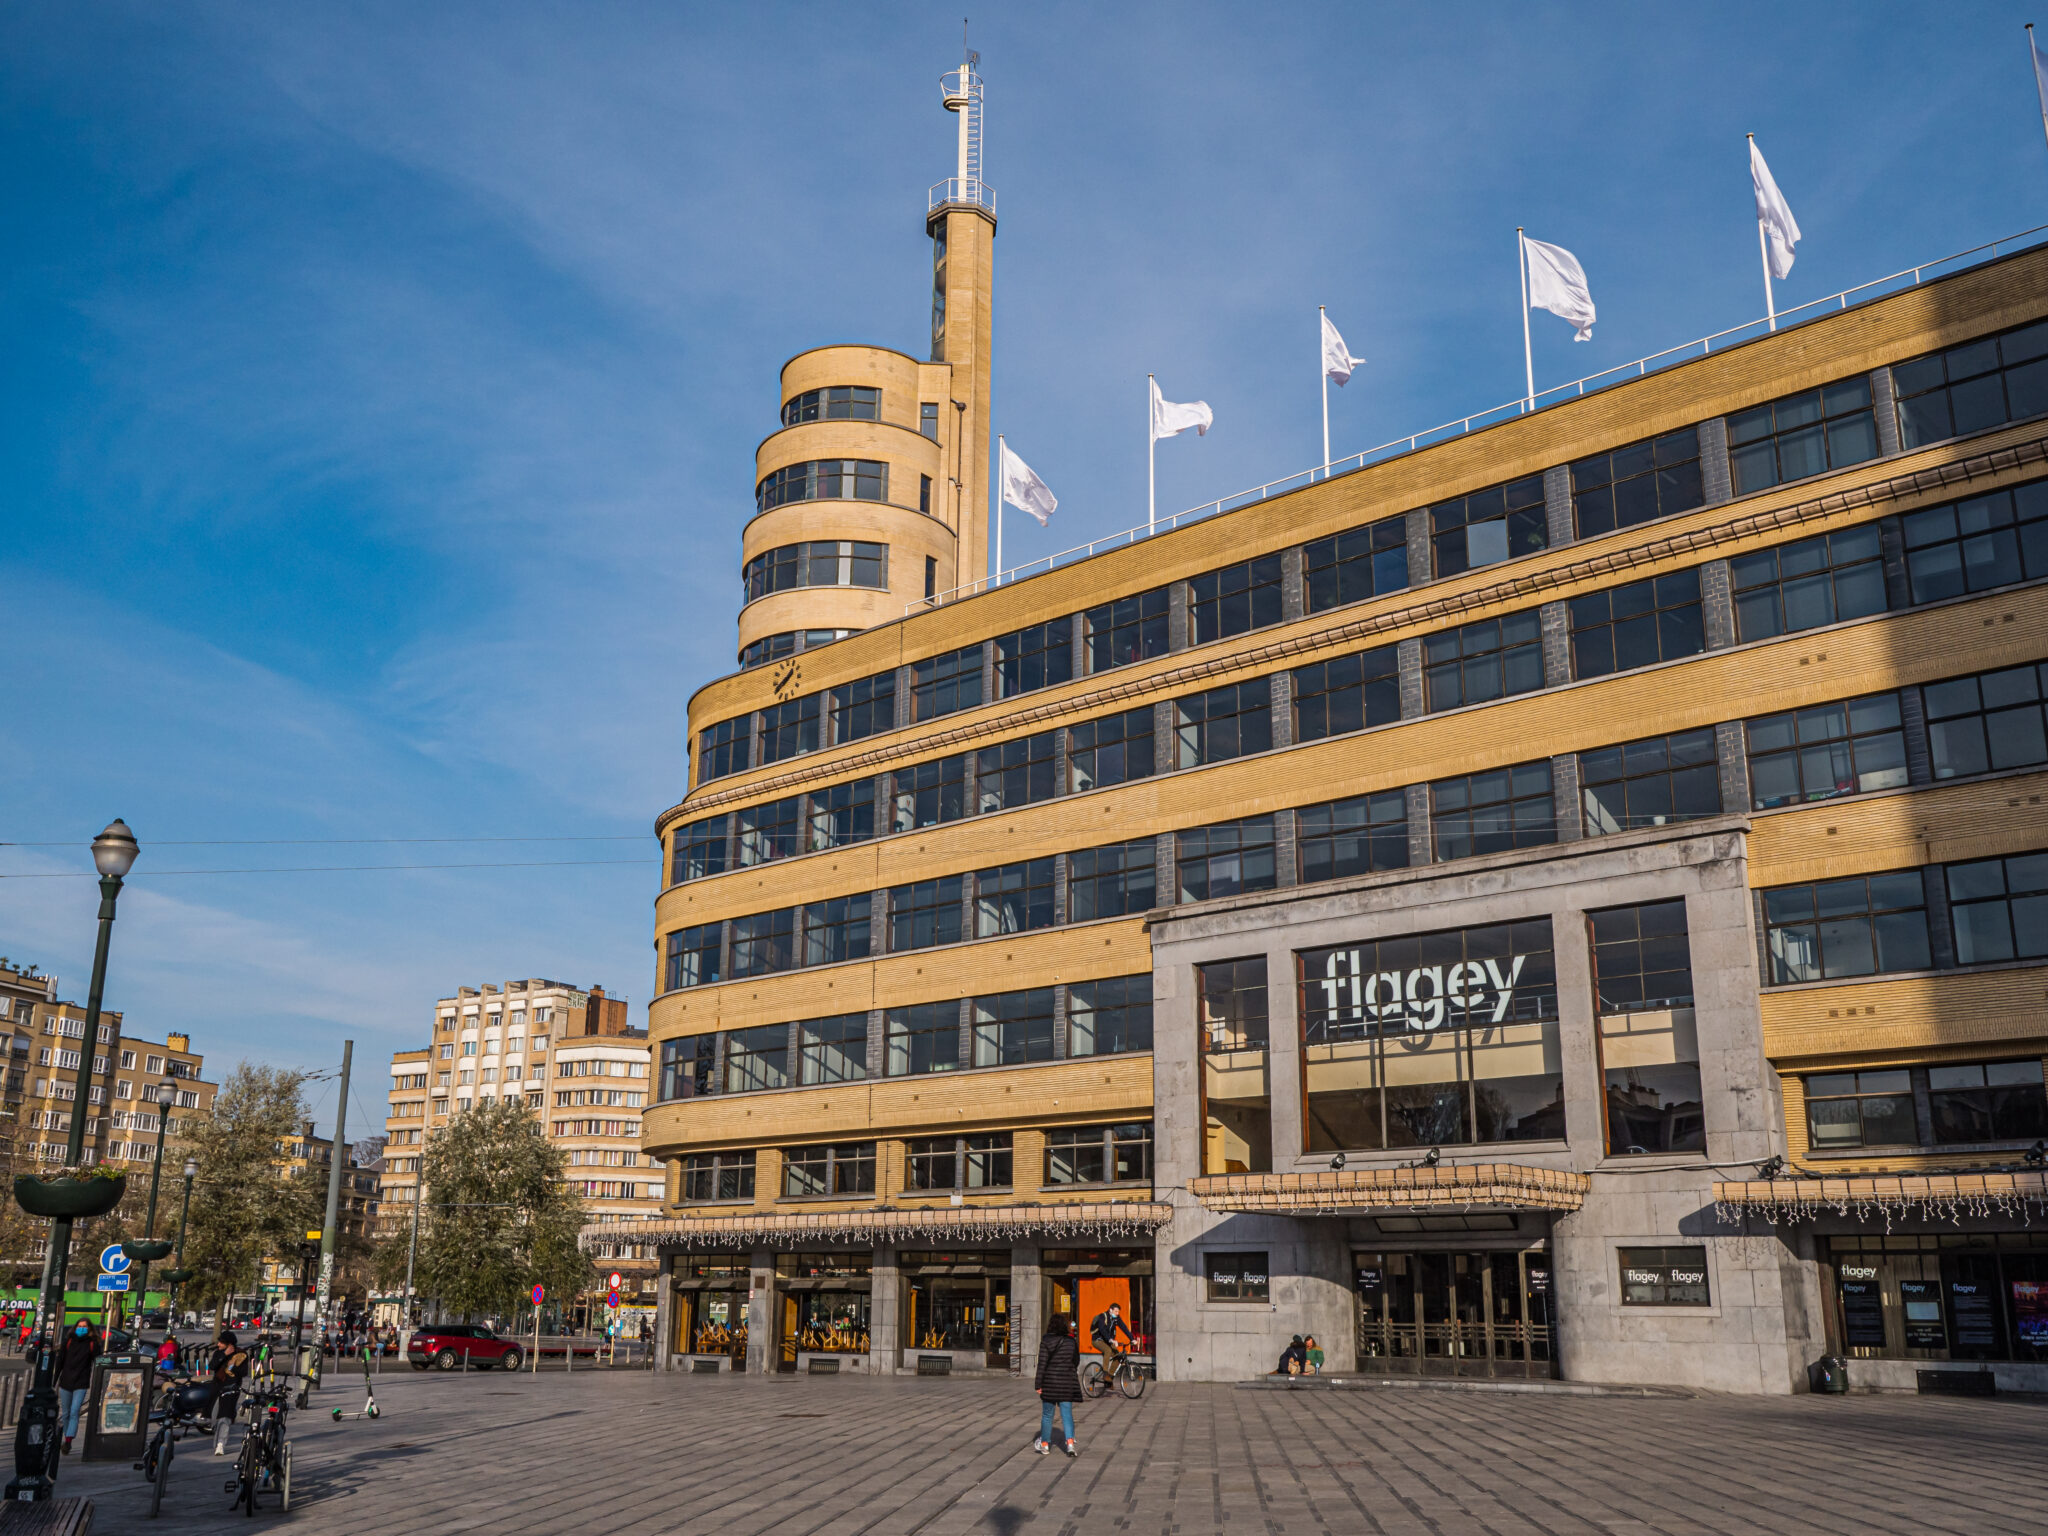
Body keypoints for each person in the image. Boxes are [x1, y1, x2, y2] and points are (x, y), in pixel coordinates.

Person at [1032, 1315, 1082, 1458]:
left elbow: (1042, 1364)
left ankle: (1045, 1445)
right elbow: (1076, 1361)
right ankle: (1070, 1444)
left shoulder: (1046, 1341)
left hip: (1050, 1383)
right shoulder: (1071, 1341)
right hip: (1066, 1383)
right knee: (1067, 1415)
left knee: (1047, 1415)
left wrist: (1038, 1384)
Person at [54, 1320, 99, 1453]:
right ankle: (67, 1437)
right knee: (66, 1412)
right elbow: (60, 1362)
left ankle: (68, 1440)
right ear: (75, 1328)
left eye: (84, 1327)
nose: (81, 1329)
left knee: (74, 1412)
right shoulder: (68, 1342)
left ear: (89, 1329)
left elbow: (98, 1362)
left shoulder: (92, 1343)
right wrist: (54, 1381)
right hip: (65, 1382)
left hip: (81, 1383)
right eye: (79, 1326)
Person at [1089, 1303, 1134, 1379]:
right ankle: (1105, 1373)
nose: (1117, 1313)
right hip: (1097, 1340)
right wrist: (1110, 1339)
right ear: (1110, 1310)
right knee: (1108, 1350)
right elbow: (1102, 1330)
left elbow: (1124, 1328)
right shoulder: (1102, 1317)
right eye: (1116, 1311)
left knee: (1118, 1356)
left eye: (1118, 1312)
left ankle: (1109, 1378)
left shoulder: (1116, 1318)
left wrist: (1132, 1339)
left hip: (1108, 1340)